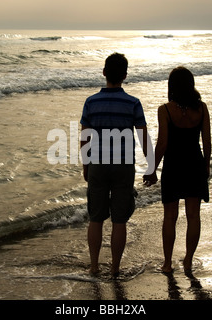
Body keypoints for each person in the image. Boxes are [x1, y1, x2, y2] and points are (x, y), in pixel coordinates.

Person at [80, 53, 149, 277]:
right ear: (125, 76)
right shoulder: (132, 103)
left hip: (98, 164)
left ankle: (93, 266)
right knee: (120, 220)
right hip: (123, 165)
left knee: (96, 218)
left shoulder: (91, 102)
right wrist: (151, 167)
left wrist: (85, 165)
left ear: (104, 73)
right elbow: (143, 138)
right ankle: (116, 268)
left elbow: (85, 137)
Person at [143, 66, 211, 276]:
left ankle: (167, 263)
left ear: (171, 86)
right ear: (191, 85)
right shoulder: (202, 108)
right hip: (194, 164)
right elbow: (207, 142)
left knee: (170, 217)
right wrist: (206, 165)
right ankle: (188, 261)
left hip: (173, 166)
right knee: (193, 215)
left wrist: (152, 169)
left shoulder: (165, 110)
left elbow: (162, 144)